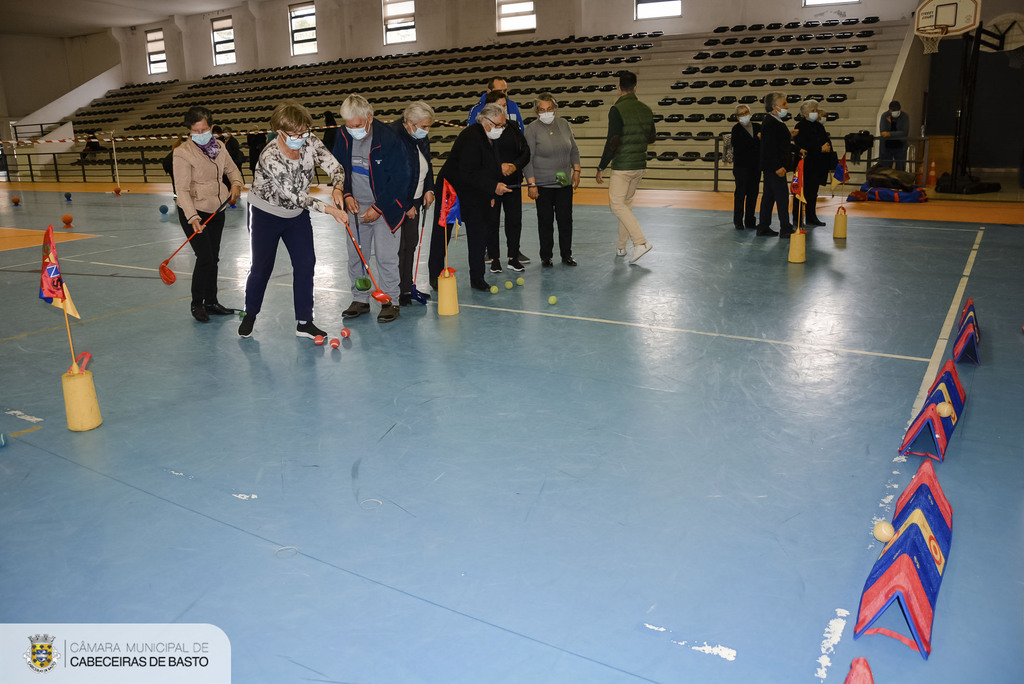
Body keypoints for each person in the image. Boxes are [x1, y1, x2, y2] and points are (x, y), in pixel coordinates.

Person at [238, 103, 348, 339]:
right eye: (295, 134)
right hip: (265, 214)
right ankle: (250, 313)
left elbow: (335, 166)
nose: (301, 138)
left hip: (296, 216)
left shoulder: (310, 142)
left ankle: (304, 321)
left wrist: (338, 187)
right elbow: (296, 197)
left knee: (306, 262)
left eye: (304, 132)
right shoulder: (270, 156)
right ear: (279, 131)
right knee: (261, 267)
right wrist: (330, 210)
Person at [332, 94, 411, 323]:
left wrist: (379, 207)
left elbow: (401, 178)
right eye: (348, 125)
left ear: (370, 117)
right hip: (355, 208)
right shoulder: (343, 135)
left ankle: (390, 301)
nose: (352, 129)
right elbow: (339, 169)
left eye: (357, 125)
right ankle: (360, 298)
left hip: (385, 208)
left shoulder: (389, 138)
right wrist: (346, 194)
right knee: (357, 257)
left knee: (386, 258)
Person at [428, 102, 512, 291]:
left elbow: (492, 167)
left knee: (479, 233)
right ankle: (435, 275)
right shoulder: (470, 137)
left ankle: (477, 277)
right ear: (486, 121)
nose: (501, 129)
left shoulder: (492, 139)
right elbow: (467, 172)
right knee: (442, 235)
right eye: (499, 125)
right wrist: (493, 187)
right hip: (452, 190)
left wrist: (492, 192)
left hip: (476, 191)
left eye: (503, 125)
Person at [172, 106, 244, 322]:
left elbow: (232, 171)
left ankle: (211, 302)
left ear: (211, 128)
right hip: (194, 212)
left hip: (217, 209)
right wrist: (193, 217)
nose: (200, 135)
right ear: (189, 131)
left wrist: (237, 185)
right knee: (204, 257)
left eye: (204, 130)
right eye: (195, 132)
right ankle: (197, 304)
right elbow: (182, 190)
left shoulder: (220, 147)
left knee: (214, 258)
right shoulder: (182, 153)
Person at [595, 70, 656, 264]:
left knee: (617, 204)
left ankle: (640, 242)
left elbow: (612, 141)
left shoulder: (616, 110)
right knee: (626, 205)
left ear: (619, 87)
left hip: (623, 166)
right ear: (635, 87)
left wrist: (601, 166)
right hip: (639, 165)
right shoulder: (646, 109)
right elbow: (652, 137)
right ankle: (621, 247)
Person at [524, 93, 581, 266]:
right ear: (537, 111)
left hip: (563, 183)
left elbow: (574, 150)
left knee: (565, 220)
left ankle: (566, 255)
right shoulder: (532, 129)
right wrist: (531, 184)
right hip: (542, 184)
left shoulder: (564, 124)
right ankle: (546, 256)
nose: (546, 112)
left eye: (549, 109)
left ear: (555, 108)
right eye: (542, 110)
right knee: (545, 221)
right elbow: (528, 159)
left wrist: (576, 171)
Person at [389, 100, 436, 306]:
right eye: (424, 126)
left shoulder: (420, 137)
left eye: (428, 126)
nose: (427, 130)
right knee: (399, 247)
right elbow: (394, 176)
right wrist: (406, 204)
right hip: (398, 201)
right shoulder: (394, 137)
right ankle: (396, 290)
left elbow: (427, 164)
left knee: (411, 243)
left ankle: (407, 288)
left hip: (416, 199)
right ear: (409, 122)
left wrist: (429, 188)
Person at [483, 90, 530, 273]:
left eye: (505, 105)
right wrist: (498, 167)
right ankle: (494, 258)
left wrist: (514, 166)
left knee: (514, 220)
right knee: (492, 222)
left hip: (513, 183)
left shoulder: (512, 126)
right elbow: (481, 156)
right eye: (500, 105)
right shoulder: (483, 130)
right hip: (492, 184)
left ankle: (513, 257)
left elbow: (525, 151)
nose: (504, 108)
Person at [755, 91, 795, 238]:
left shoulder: (774, 121)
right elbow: (769, 148)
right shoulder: (770, 122)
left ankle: (763, 227)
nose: (787, 106)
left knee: (769, 197)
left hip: (772, 166)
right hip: (774, 167)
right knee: (782, 197)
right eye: (784, 104)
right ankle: (785, 227)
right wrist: (777, 166)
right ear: (774, 106)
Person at [792, 99, 832, 227]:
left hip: (817, 164)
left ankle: (811, 217)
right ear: (805, 113)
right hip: (804, 164)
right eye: (813, 111)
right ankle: (797, 218)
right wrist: (819, 148)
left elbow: (826, 140)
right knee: (800, 192)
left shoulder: (819, 126)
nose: (816, 113)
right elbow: (802, 144)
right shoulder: (800, 126)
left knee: (813, 192)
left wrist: (827, 146)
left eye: (816, 110)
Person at [730, 103, 761, 230]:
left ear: (750, 113)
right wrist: (756, 140)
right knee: (740, 194)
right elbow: (740, 146)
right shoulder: (736, 129)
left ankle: (750, 221)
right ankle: (738, 221)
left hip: (756, 166)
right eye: (741, 114)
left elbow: (763, 143)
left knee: (753, 194)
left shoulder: (758, 127)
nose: (744, 116)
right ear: (737, 117)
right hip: (741, 167)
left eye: (745, 113)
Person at [878, 100, 909, 171]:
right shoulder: (884, 116)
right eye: (893, 110)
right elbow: (883, 132)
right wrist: (893, 134)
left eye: (897, 110)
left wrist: (889, 134)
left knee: (900, 168)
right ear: (889, 110)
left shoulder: (904, 116)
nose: (895, 112)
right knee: (885, 168)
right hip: (887, 146)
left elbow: (904, 132)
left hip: (900, 146)